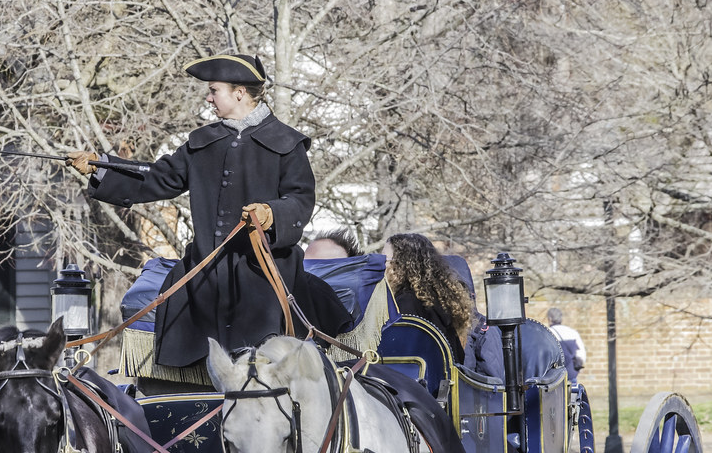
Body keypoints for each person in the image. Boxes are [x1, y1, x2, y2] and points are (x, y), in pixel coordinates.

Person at [69, 52, 352, 369]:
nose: (208, 98)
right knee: (175, 304)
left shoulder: (287, 142)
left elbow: (301, 200)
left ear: (239, 93)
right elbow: (157, 176)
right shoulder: (202, 141)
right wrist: (102, 168)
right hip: (204, 273)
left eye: (214, 90)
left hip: (265, 274)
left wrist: (272, 213)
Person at [381, 233, 475, 363]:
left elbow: (396, 356)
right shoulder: (438, 301)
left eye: (384, 260)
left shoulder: (406, 303)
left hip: (421, 375)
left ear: (400, 264)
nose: (380, 266)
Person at [546, 307, 587, 382]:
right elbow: (581, 354)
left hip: (553, 376)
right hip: (570, 374)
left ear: (549, 319)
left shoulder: (547, 333)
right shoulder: (572, 332)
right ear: (561, 318)